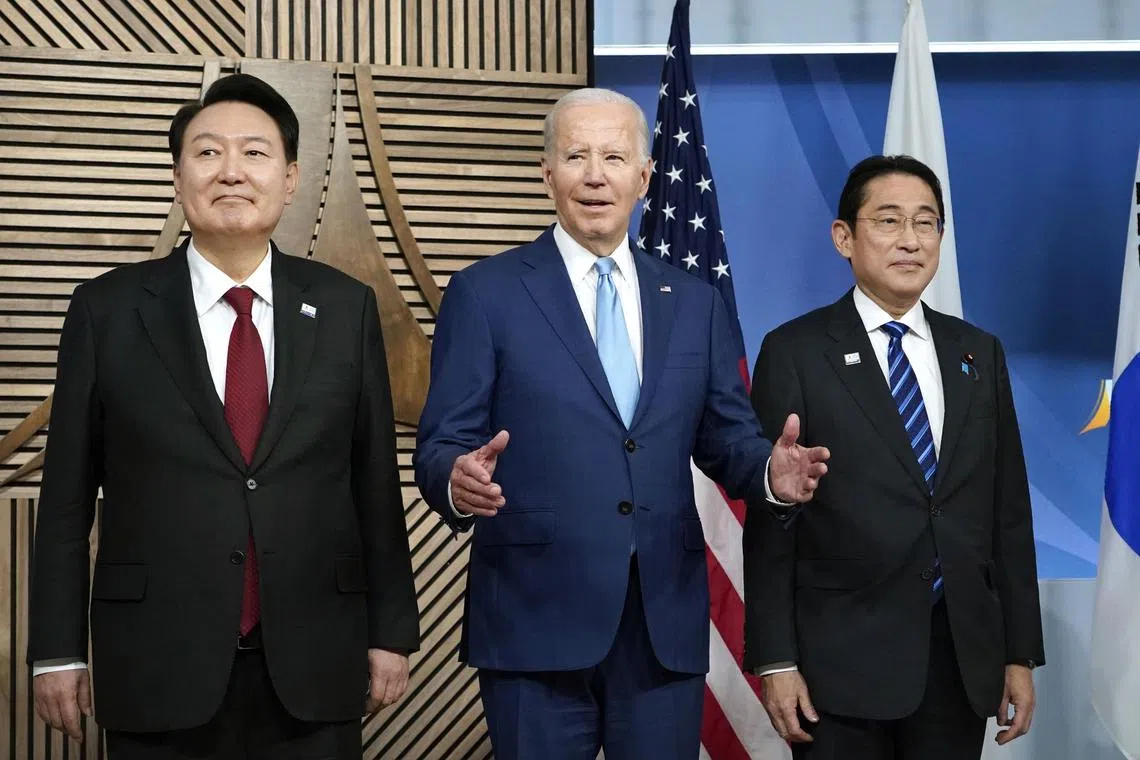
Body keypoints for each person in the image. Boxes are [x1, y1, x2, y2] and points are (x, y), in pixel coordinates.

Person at [413, 87, 830, 760]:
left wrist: (768, 474)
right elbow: (442, 444)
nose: (595, 174)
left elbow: (725, 437)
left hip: (661, 623)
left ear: (644, 176)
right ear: (547, 173)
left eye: (614, 156)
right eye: (576, 156)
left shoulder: (694, 303)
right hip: (533, 620)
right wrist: (455, 481)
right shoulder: (485, 294)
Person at [27, 73, 419, 759]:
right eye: (208, 153)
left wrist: (391, 629)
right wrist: (55, 651)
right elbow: (63, 502)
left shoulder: (344, 306)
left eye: (255, 153)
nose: (231, 171)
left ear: (291, 178)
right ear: (178, 177)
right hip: (157, 660)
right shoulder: (107, 311)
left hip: (315, 658)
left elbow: (374, 487)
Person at [743, 155, 1044, 760]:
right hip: (838, 667)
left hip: (959, 660)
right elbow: (772, 521)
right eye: (888, 220)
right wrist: (776, 658)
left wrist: (1019, 652)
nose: (910, 239)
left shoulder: (978, 353)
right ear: (844, 237)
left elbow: (1007, 513)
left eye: (926, 223)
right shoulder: (796, 350)